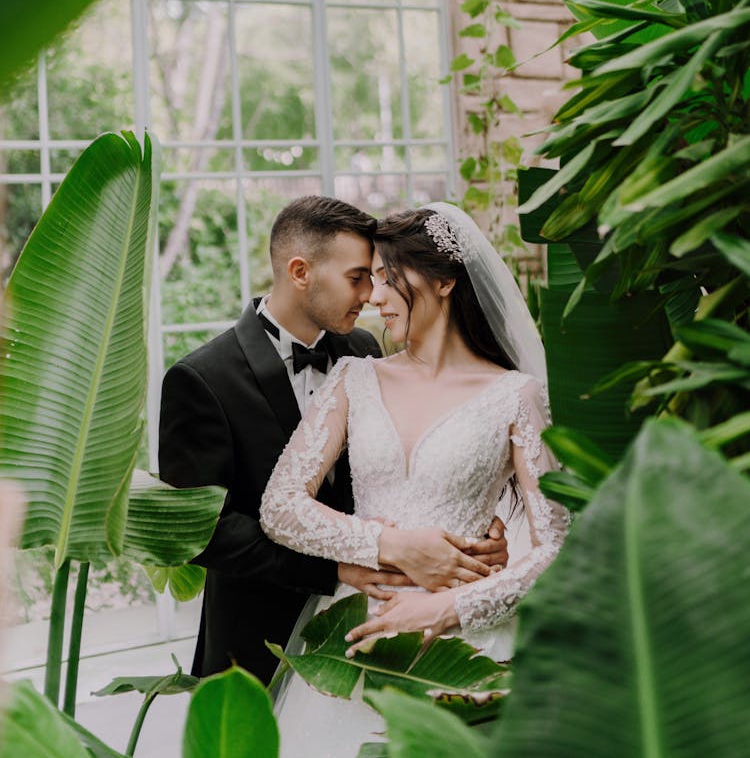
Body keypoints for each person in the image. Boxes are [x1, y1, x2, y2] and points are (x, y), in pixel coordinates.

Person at [260, 202, 568, 756]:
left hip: (465, 649)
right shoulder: (354, 377)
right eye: (369, 280)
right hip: (353, 640)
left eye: (385, 279)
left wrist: (451, 607)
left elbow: (559, 550)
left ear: (445, 280)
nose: (373, 298)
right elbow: (280, 505)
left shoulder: (515, 396)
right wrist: (389, 546)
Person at [159, 196, 507, 683]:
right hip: (258, 637)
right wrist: (335, 569)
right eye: (357, 278)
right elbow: (198, 532)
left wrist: (465, 522)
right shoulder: (201, 378)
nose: (369, 295)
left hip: (378, 621)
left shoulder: (364, 352)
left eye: (375, 277)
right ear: (300, 272)